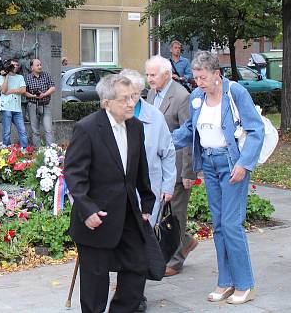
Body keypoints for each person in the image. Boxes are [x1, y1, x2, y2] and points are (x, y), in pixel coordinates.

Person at [171, 51, 264, 305]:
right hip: (209, 165)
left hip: (232, 164)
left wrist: (244, 164)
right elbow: (191, 129)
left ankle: (245, 284)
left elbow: (257, 130)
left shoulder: (235, 93)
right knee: (219, 225)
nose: (198, 82)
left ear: (216, 74)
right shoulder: (196, 98)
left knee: (232, 224)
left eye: (202, 77)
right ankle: (225, 282)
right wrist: (166, 143)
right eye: (196, 77)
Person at [64, 73, 155, 313]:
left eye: (133, 97)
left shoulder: (135, 127)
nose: (131, 103)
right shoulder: (87, 128)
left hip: (128, 215)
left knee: (138, 267)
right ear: (107, 102)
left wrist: (147, 204)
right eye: (124, 99)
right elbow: (74, 174)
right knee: (95, 284)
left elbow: (139, 168)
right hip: (97, 218)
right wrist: (87, 210)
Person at [121, 69, 176, 312]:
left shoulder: (154, 116)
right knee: (123, 243)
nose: (131, 100)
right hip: (119, 194)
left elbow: (168, 153)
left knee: (140, 243)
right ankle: (125, 290)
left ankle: (136, 294)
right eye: (126, 94)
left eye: (135, 94)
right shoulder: (113, 115)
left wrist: (167, 186)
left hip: (147, 192)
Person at [145, 55, 198, 276]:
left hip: (176, 166)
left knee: (176, 213)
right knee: (160, 212)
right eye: (147, 74)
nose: (149, 79)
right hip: (156, 167)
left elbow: (190, 135)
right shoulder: (151, 93)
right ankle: (185, 241)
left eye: (153, 75)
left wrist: (188, 171)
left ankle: (175, 260)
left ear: (166, 74)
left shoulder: (181, 97)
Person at [24, 58, 56, 146]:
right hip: (33, 105)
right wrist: (33, 96)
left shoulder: (46, 75)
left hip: (45, 105)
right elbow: (24, 92)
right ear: (32, 67)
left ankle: (51, 150)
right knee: (35, 131)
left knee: (48, 129)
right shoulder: (27, 78)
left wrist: (44, 94)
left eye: (40, 65)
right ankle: (37, 151)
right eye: (37, 65)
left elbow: (53, 87)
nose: (40, 66)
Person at [0, 58, 28, 148]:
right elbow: (3, 90)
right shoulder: (2, 77)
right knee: (7, 131)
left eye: (16, 65)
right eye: (13, 65)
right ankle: (6, 149)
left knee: (22, 130)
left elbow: (23, 90)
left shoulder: (20, 77)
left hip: (17, 109)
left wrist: (11, 91)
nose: (15, 67)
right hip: (6, 107)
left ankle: (24, 150)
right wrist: (7, 75)